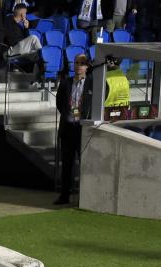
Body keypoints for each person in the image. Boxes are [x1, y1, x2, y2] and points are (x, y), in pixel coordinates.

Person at [54, 53, 92, 205]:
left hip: (83, 128)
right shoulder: (66, 82)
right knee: (67, 164)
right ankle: (64, 196)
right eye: (76, 62)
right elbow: (59, 103)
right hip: (68, 127)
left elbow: (105, 91)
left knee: (84, 163)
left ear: (87, 66)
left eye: (82, 63)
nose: (78, 66)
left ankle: (85, 196)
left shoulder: (92, 82)